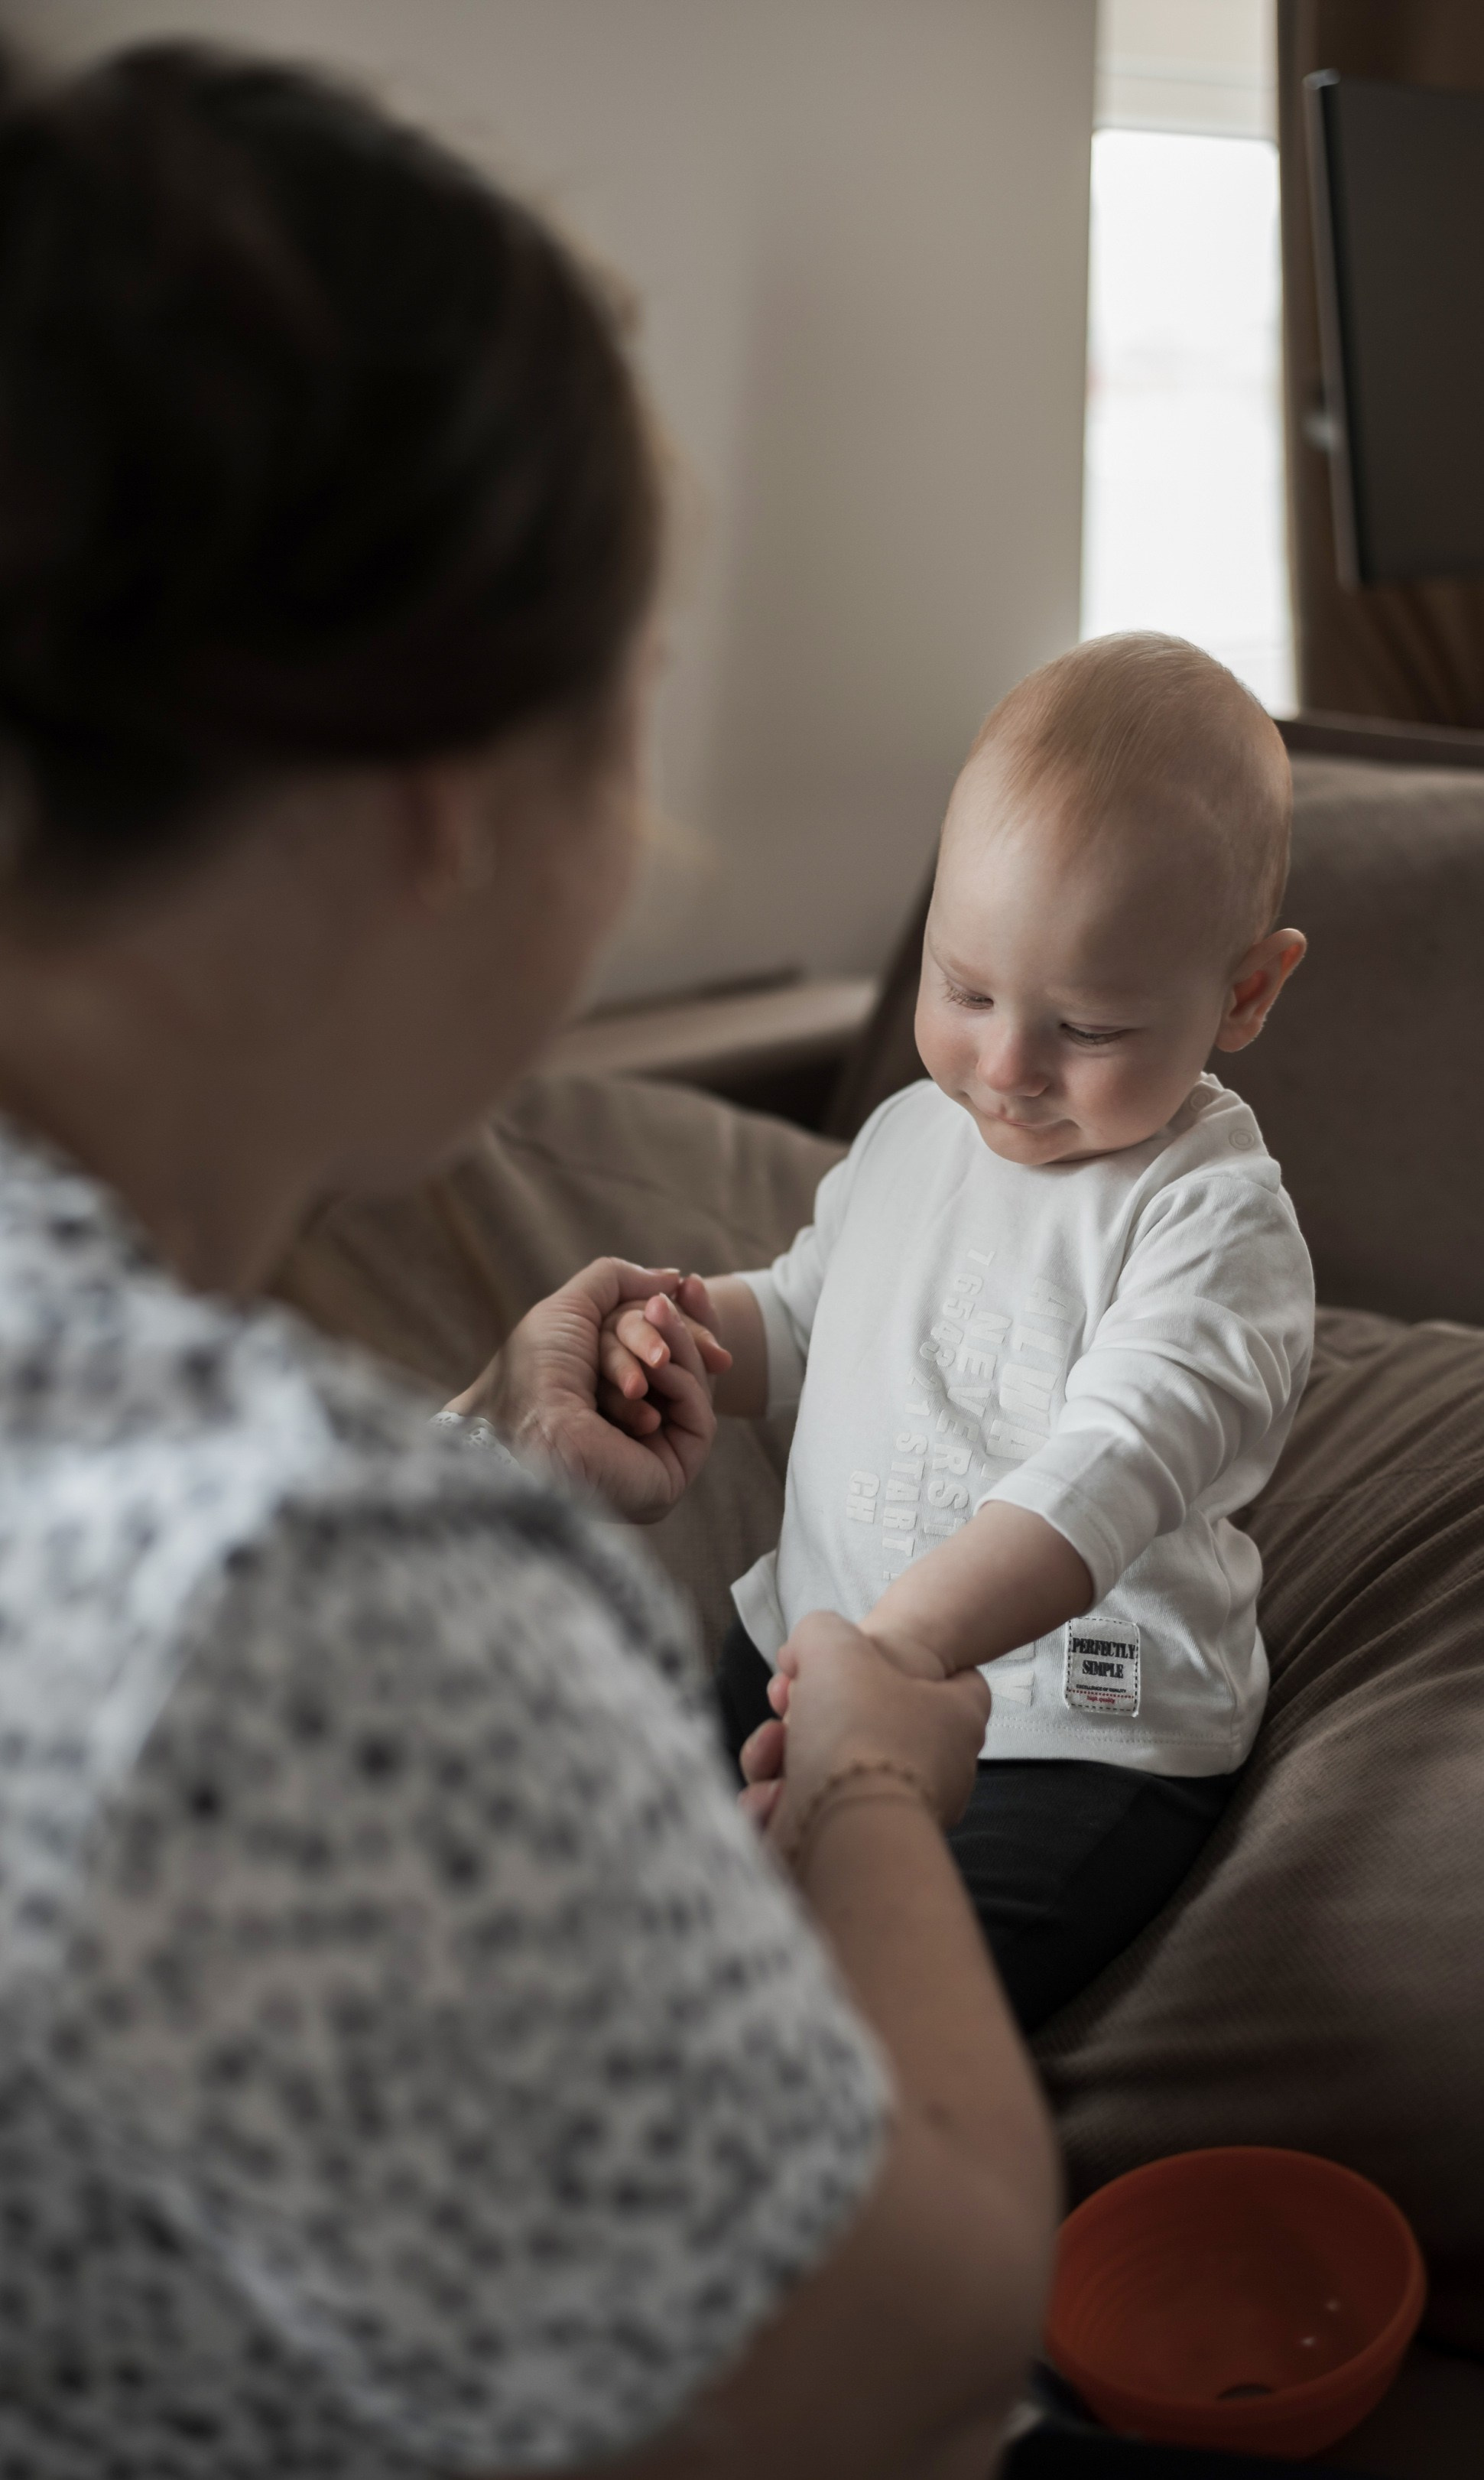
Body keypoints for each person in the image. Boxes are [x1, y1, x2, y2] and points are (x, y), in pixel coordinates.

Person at [0, 41, 1060, 2480]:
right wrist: (878, 1791)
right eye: (635, 714)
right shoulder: (321, 1595)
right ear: (450, 804)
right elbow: (904, 2342)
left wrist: (478, 1438)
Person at [601, 635, 1317, 2031]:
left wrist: (902, 1653)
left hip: (1070, 1735)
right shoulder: (910, 1132)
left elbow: (1109, 1469)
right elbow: (811, 1318)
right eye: (965, 987)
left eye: (1085, 1026)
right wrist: (687, 1336)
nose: (1004, 1067)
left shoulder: (1211, 1224)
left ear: (1244, 994)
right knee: (629, 1909)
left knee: (894, 2018)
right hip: (803, 1662)